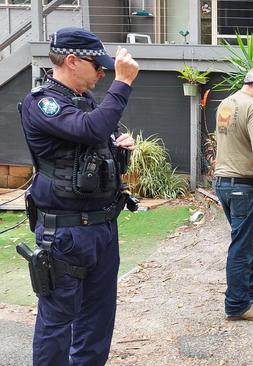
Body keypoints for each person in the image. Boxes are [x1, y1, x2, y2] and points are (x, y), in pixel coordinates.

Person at [18, 27, 139, 365]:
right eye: (97, 66)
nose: (102, 72)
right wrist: (123, 82)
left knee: (98, 321)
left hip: (102, 227)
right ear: (71, 61)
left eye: (105, 68)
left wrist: (120, 145)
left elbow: (103, 132)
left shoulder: (84, 101)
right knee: (58, 323)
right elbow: (89, 129)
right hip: (65, 233)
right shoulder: (42, 102)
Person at [214, 66, 253, 321]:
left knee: (248, 239)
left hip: (223, 183)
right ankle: (238, 304)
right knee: (242, 246)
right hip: (244, 185)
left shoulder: (226, 104)